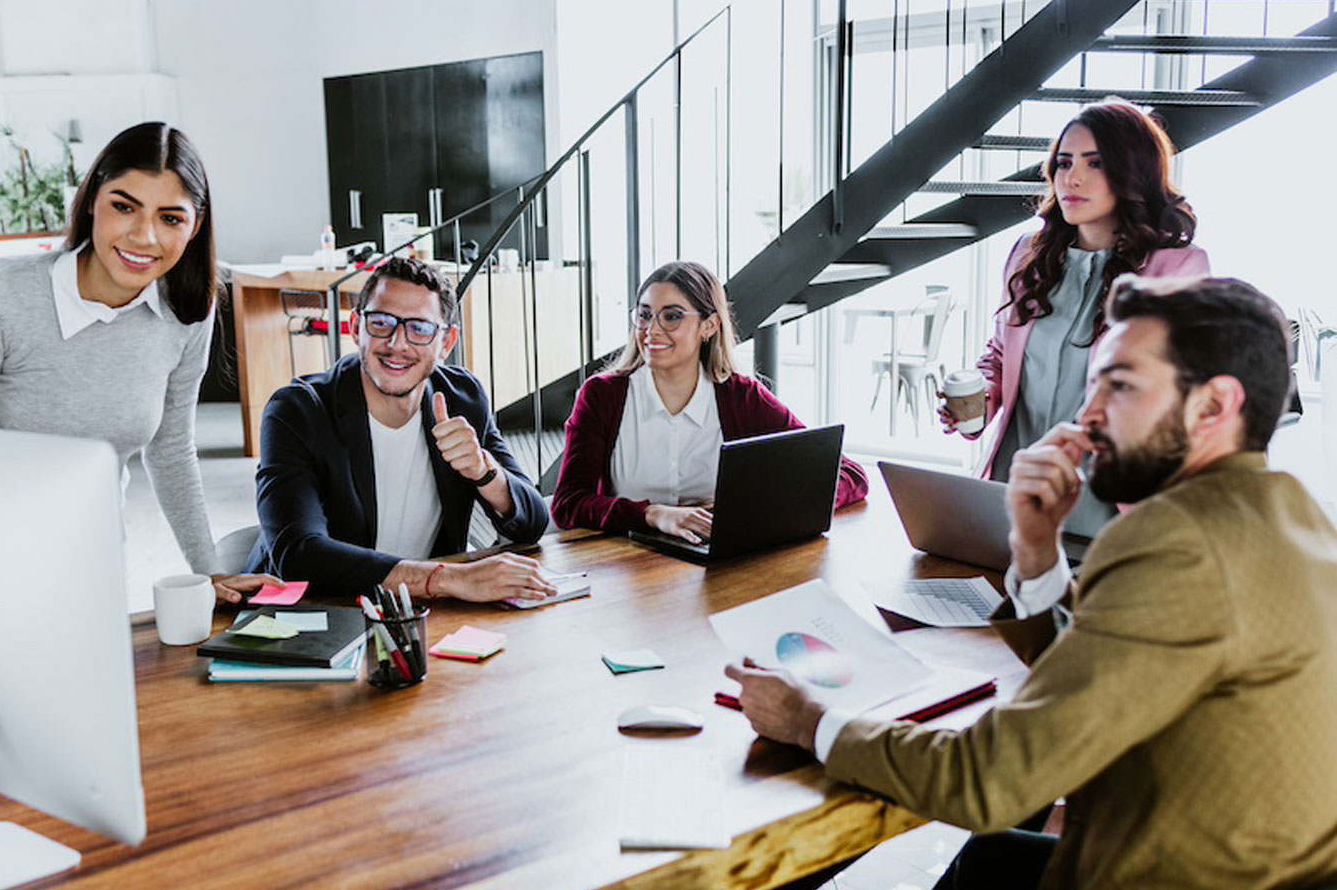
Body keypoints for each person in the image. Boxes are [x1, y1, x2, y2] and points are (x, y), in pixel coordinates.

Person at [729, 275, 1337, 890]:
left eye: (1120, 386)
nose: (1089, 413)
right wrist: (1036, 551)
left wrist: (810, 721)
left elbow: (989, 781)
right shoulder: (1297, 520)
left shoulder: (1177, 543)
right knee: (990, 859)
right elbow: (1094, 682)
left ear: (1215, 405)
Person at [0, 122, 275, 604]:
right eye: (124, 206)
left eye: (171, 218)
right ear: (92, 199)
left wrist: (208, 574)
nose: (144, 235)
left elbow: (170, 448)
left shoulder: (187, 311)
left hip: (93, 559)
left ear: (195, 227)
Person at [942, 100, 1211, 535]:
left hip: (1106, 505)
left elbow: (1175, 396)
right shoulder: (1028, 256)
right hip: (1014, 488)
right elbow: (1000, 354)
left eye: (1096, 163)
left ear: (1132, 171)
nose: (1072, 177)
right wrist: (975, 403)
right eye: (1063, 162)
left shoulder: (1176, 267)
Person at [245, 256, 554, 601]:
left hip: (416, 613)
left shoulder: (462, 398)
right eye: (381, 323)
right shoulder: (297, 410)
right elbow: (298, 555)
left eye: (419, 328)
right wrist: (446, 579)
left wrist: (485, 471)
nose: (397, 344)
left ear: (446, 342)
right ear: (356, 328)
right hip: (310, 616)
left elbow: (533, 522)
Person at [551, 261, 868, 540]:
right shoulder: (603, 395)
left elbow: (850, 475)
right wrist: (653, 514)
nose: (651, 330)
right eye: (645, 315)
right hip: (627, 567)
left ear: (709, 325)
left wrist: (758, 511)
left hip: (717, 564)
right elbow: (568, 503)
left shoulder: (741, 397)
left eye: (672, 316)